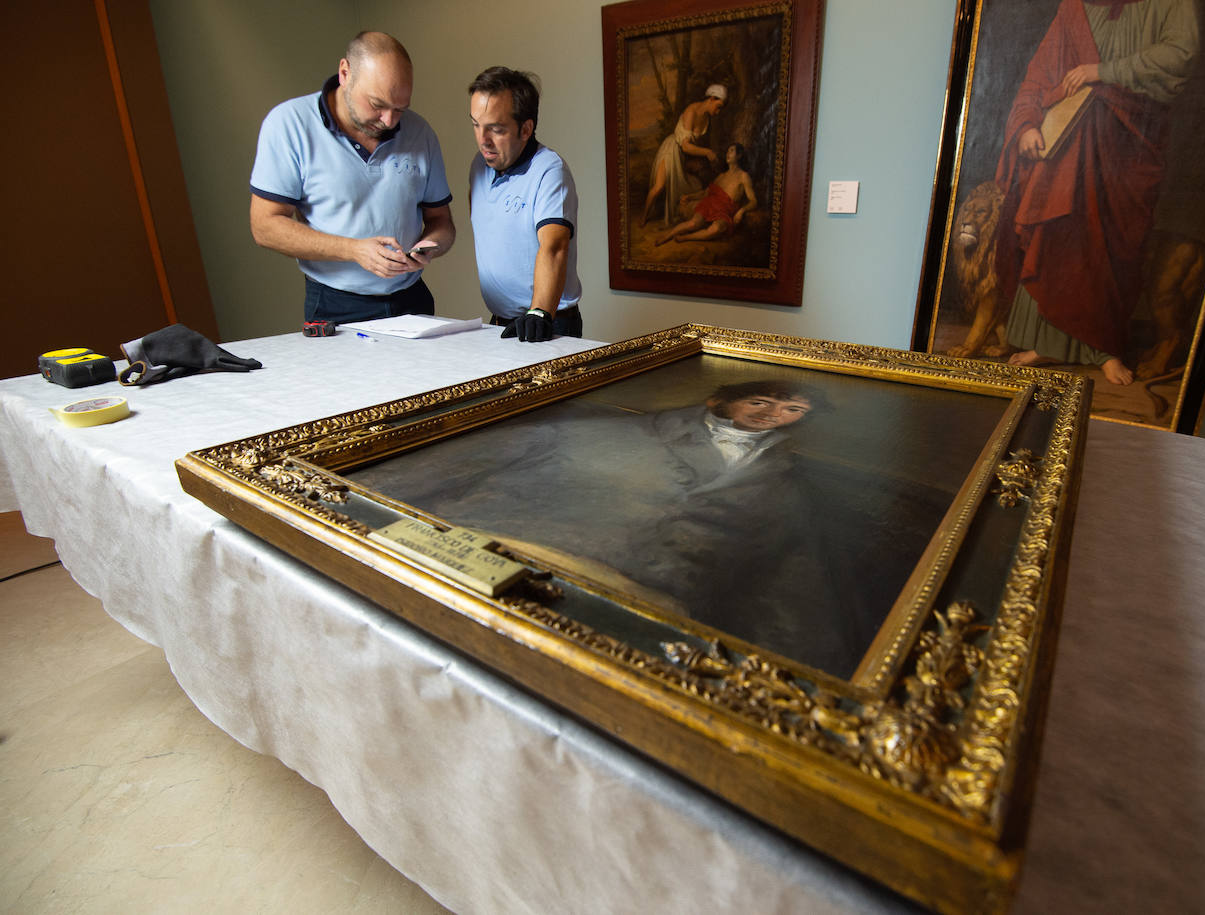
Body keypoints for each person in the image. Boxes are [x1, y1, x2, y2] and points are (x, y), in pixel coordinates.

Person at [352, 380, 949, 677]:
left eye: (793, 410)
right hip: (550, 556)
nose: (775, 415)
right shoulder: (641, 431)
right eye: (762, 402)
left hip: (670, 606)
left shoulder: (786, 476)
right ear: (723, 401)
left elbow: (783, 561)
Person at [993, 0, 1198, 385]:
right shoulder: (1074, 9)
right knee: (1056, 236)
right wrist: (1025, 126)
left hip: (1127, 146)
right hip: (1064, 147)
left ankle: (1103, 348)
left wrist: (1103, 71)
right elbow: (1037, 77)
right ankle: (1047, 342)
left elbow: (1179, 55)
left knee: (1109, 244)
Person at [249, 32, 455, 324]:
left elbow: (442, 222)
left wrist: (430, 246)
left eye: (400, 109)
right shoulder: (289, 124)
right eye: (377, 104)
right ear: (345, 73)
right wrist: (355, 250)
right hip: (335, 304)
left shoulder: (420, 132)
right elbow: (264, 226)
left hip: (412, 298)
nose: (389, 120)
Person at [467, 67, 583, 343]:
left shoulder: (549, 171)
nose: (483, 140)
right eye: (475, 124)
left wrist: (540, 312)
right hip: (499, 324)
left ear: (526, 129)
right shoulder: (479, 166)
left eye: (495, 129)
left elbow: (554, 248)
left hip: (547, 323)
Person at [641, 85, 728, 227]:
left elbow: (692, 147)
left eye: (720, 109)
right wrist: (706, 152)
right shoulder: (691, 112)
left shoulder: (707, 118)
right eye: (718, 106)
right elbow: (686, 146)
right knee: (659, 186)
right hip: (671, 150)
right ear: (711, 99)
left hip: (682, 157)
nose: (718, 112)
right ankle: (644, 218)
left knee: (695, 186)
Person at [655, 144, 757, 246]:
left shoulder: (744, 176)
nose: (727, 154)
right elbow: (705, 193)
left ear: (739, 155)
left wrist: (741, 211)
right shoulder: (721, 176)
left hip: (725, 211)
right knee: (693, 223)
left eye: (731, 151)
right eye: (727, 151)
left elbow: (753, 201)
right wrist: (689, 196)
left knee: (716, 229)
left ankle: (686, 237)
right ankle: (667, 236)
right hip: (710, 205)